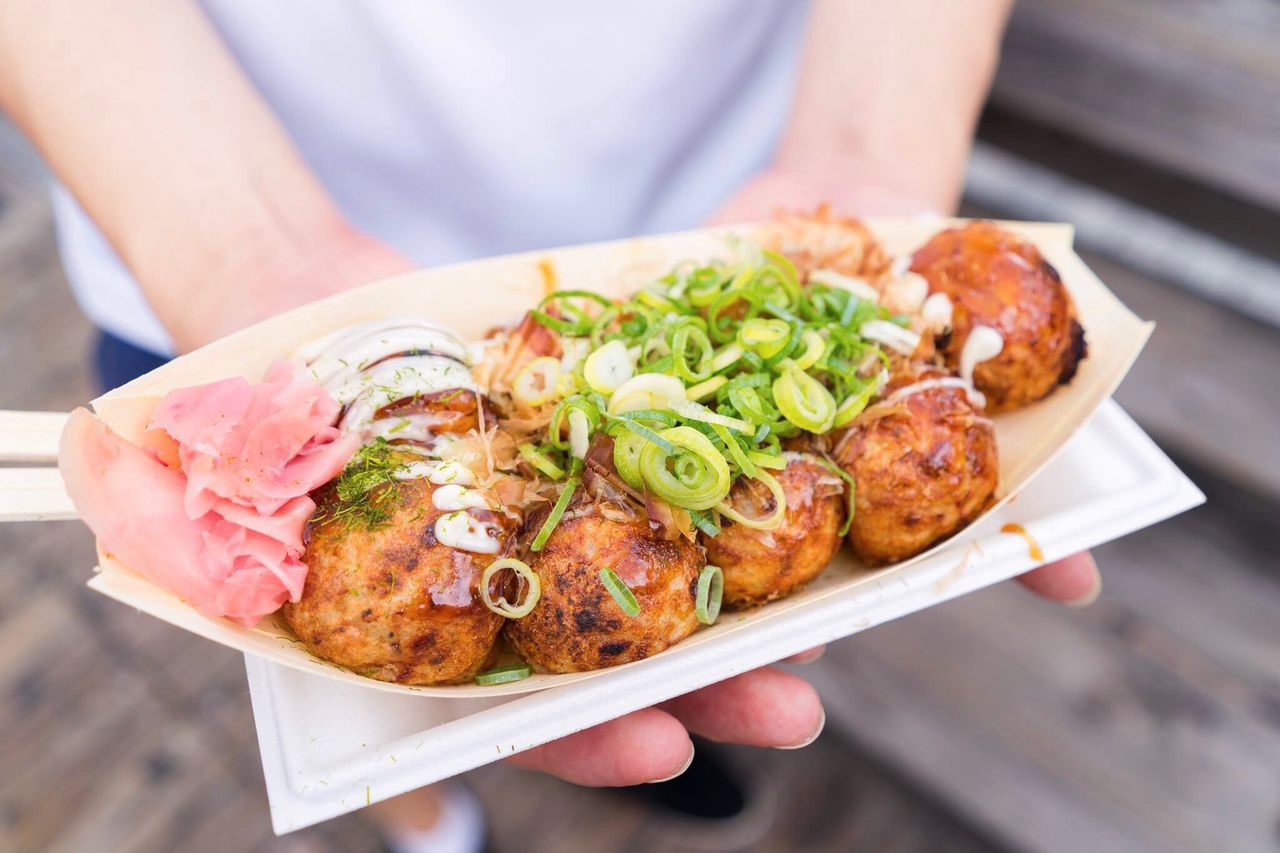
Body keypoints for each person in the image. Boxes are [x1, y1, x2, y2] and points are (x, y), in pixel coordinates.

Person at [0, 1, 1101, 849]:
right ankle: (423, 821)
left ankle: (625, 772)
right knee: (331, 682)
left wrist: (874, 155)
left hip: (720, 193)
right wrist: (237, 246)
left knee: (653, 721)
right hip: (221, 261)